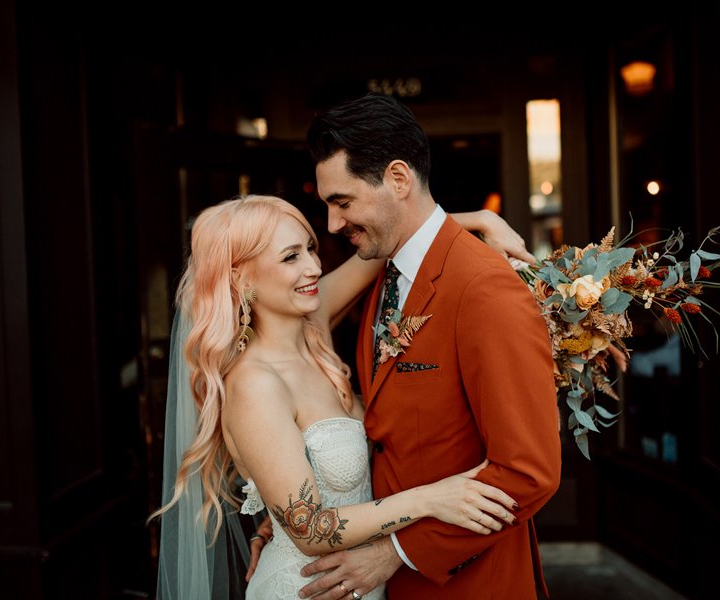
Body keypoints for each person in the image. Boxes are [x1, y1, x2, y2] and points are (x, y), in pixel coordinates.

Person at [150, 194, 536, 600]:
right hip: (308, 588)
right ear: (242, 280)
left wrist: (480, 218)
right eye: (290, 258)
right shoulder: (255, 385)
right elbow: (310, 529)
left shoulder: (312, 323)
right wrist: (432, 499)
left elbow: (391, 243)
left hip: (364, 583)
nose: (313, 267)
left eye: (310, 248)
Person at [297, 93, 562, 599]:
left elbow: (528, 472)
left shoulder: (485, 288)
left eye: (342, 202)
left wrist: (393, 552)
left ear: (398, 179)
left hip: (469, 581)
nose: (332, 224)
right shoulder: (386, 275)